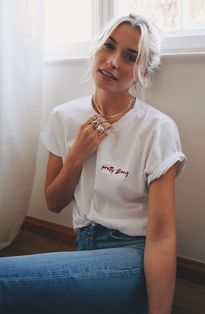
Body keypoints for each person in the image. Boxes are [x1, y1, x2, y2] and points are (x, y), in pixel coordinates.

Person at [0, 14, 186, 314]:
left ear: (143, 75)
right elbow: (53, 202)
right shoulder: (64, 116)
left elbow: (163, 235)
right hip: (83, 247)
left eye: (129, 56)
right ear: (95, 50)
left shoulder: (157, 129)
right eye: (108, 47)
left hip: (132, 256)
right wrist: (76, 155)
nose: (112, 61)